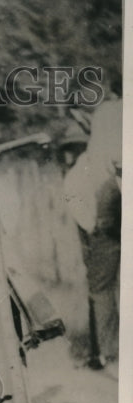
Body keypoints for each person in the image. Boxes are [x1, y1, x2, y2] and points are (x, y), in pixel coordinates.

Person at [64, 98, 122, 371]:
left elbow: (86, 214)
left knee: (100, 289)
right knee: (102, 289)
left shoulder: (86, 164)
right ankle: (104, 351)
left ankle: (107, 353)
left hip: (105, 222)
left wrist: (93, 226)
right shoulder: (111, 115)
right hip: (107, 217)